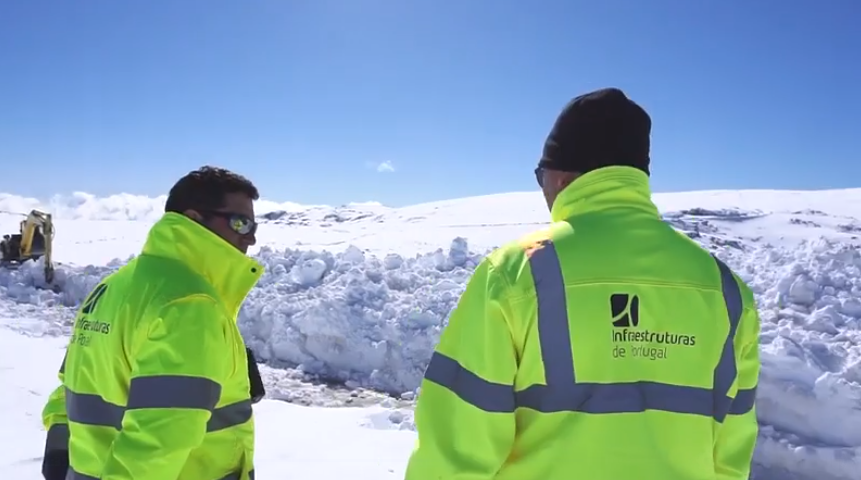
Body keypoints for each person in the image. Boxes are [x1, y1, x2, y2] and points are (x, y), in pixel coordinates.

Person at [404, 88, 761, 480]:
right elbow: (731, 454)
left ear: (560, 177)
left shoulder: (514, 275)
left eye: (540, 176)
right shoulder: (726, 291)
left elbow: (457, 446)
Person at [41, 166, 267, 480]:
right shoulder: (189, 305)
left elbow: (74, 387)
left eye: (253, 225)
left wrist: (59, 446)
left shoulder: (112, 287)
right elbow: (156, 444)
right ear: (194, 218)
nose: (251, 238)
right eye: (240, 223)